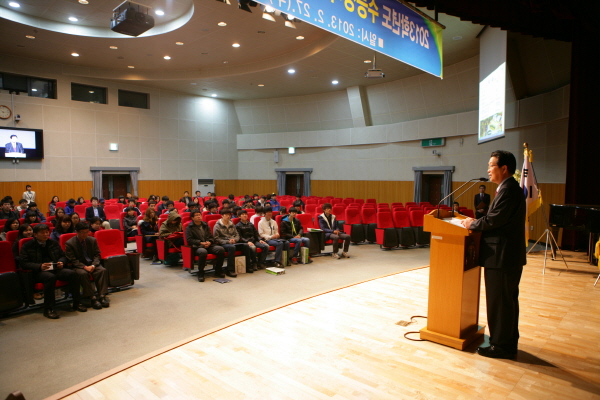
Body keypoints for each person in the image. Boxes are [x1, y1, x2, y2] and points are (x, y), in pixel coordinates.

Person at [460, 150, 526, 360]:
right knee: (506, 302)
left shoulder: (508, 190)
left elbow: (494, 220)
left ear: (504, 168)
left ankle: (500, 345)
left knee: (500, 303)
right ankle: (507, 342)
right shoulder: (508, 188)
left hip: (502, 256)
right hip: (505, 256)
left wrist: (473, 223)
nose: (488, 169)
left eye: (491, 165)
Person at [19, 224, 86, 319]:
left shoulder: (53, 243)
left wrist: (61, 262)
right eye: (42, 233)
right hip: (37, 272)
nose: (45, 234)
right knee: (50, 277)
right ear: (35, 234)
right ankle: (48, 308)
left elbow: (63, 255)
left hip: (55, 268)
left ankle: (77, 302)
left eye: (47, 232)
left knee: (72, 274)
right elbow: (24, 263)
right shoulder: (27, 246)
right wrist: (39, 266)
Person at [65, 222, 110, 309]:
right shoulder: (70, 243)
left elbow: (97, 255)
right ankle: (92, 297)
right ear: (77, 232)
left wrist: (93, 265)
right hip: (79, 266)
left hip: (92, 264)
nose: (85, 234)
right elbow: (72, 259)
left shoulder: (92, 240)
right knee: (83, 273)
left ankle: (102, 295)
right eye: (82, 232)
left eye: (87, 232)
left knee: (102, 270)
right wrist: (84, 267)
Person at [185, 211, 225, 281]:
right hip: (197, 246)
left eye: (199, 215)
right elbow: (189, 240)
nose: (199, 216)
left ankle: (218, 270)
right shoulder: (189, 227)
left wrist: (209, 242)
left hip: (208, 245)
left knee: (221, 249)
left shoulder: (205, 225)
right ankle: (201, 273)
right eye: (196, 215)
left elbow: (211, 237)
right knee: (203, 252)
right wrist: (201, 243)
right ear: (192, 218)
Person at [213, 208, 250, 277]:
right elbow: (216, 238)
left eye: (229, 215)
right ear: (222, 215)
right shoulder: (217, 225)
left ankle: (247, 266)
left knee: (245, 245)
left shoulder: (231, 224)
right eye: (226, 215)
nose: (228, 216)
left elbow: (237, 234)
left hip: (233, 242)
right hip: (223, 244)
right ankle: (230, 270)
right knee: (232, 247)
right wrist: (228, 241)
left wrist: (235, 240)